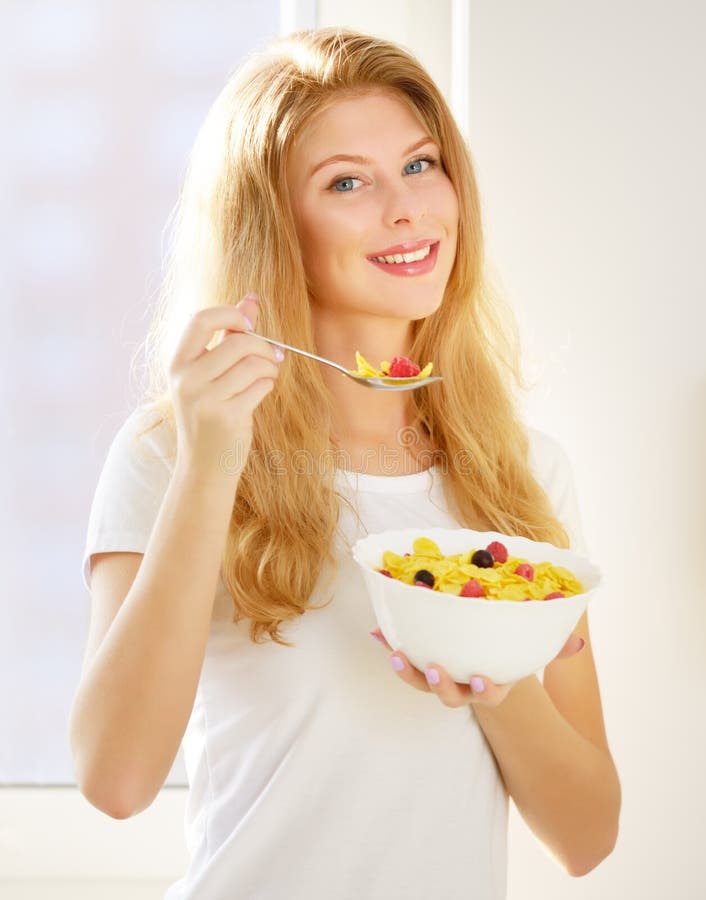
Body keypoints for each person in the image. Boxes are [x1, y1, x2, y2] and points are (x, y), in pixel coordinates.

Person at [69, 27, 621, 900]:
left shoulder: (523, 474)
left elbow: (589, 837)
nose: (406, 209)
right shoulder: (171, 452)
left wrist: (487, 670)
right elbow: (115, 779)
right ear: (274, 227)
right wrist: (211, 466)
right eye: (347, 182)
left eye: (421, 164)